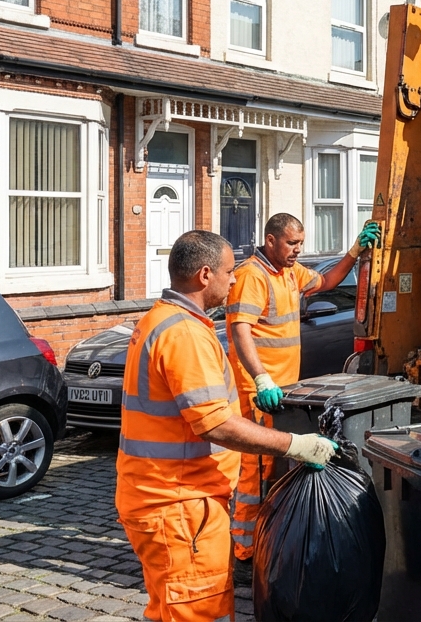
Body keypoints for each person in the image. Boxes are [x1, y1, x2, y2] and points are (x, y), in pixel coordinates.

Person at [115, 231, 337, 622]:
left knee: (168, 607)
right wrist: (296, 445)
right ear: (204, 275)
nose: (233, 280)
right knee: (199, 611)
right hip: (181, 506)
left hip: (161, 497)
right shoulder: (184, 333)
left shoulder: (161, 320)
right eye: (228, 272)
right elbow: (214, 423)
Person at [226, 214, 380, 576]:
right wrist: (261, 378)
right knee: (255, 472)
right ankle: (243, 553)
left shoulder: (291, 274)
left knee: (276, 469)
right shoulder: (253, 275)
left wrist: (355, 252)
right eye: (292, 244)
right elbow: (240, 331)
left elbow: (327, 280)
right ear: (270, 241)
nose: (298, 250)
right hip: (259, 392)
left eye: (301, 243)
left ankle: (267, 542)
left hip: (285, 392)